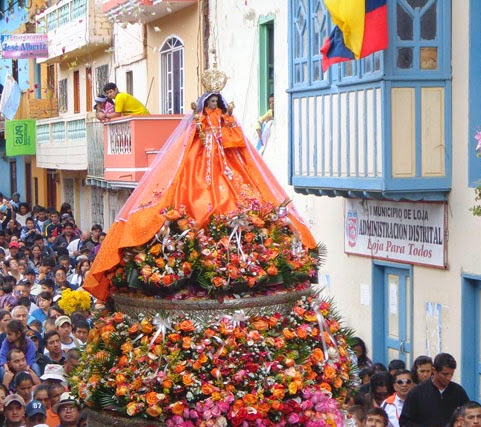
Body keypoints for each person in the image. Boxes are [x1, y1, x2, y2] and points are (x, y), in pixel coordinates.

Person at [85, 79, 317, 300]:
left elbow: (234, 137)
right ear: (206, 103)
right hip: (201, 158)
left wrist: (228, 122)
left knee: (236, 190)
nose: (214, 106)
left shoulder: (222, 117)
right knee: (191, 190)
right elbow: (194, 135)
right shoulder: (200, 120)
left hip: (225, 159)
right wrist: (201, 123)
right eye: (211, 103)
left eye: (217, 102)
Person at [399, 353, 469, 427]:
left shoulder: (458, 391)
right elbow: (405, 422)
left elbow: (467, 415)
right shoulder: (416, 393)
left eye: (451, 374)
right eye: (445, 374)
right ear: (434, 371)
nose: (448, 378)